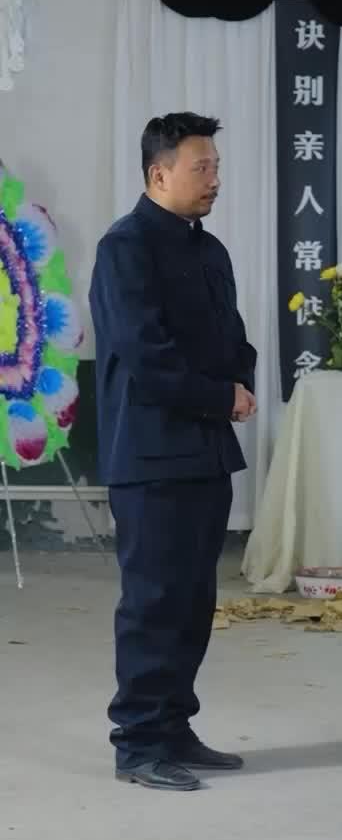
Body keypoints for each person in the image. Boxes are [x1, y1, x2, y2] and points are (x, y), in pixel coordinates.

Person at [89, 113, 257, 792]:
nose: (214, 179)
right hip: (149, 456)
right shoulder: (125, 248)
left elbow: (233, 336)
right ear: (159, 174)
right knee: (153, 602)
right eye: (200, 167)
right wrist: (220, 396)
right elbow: (147, 356)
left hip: (205, 452)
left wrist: (239, 384)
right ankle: (137, 744)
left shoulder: (208, 250)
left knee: (192, 600)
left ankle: (174, 727)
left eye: (216, 167)